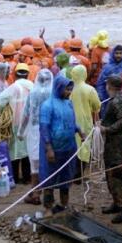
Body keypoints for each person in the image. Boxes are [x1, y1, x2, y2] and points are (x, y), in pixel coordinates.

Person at [39, 74, 82, 212]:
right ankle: (48, 208)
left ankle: (64, 206)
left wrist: (79, 130)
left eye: (70, 90)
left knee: (66, 179)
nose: (69, 92)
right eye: (66, 90)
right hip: (53, 149)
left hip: (68, 148)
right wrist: (48, 148)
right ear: (58, 88)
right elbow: (44, 127)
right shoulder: (47, 105)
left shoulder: (69, 103)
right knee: (49, 179)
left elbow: (71, 122)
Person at [100, 75, 122, 223]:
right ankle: (116, 202)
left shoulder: (118, 100)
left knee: (117, 174)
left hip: (116, 143)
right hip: (111, 142)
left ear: (110, 86)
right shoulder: (114, 99)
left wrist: (107, 129)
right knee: (110, 174)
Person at [0, 64, 34, 184]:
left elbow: (0, 101)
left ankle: (15, 178)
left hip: (14, 122)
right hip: (29, 123)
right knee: (27, 149)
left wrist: (2, 114)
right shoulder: (32, 86)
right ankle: (27, 178)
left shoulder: (13, 87)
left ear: (15, 75)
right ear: (28, 74)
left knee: (14, 150)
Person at [19, 68, 54, 199]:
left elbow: (26, 114)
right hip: (49, 132)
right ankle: (45, 193)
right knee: (48, 163)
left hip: (34, 131)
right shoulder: (53, 94)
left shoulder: (33, 93)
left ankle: (35, 193)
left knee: (35, 164)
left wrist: (20, 132)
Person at [68, 64, 101, 172]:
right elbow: (97, 105)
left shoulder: (68, 89)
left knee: (73, 146)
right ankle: (81, 173)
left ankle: (73, 171)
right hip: (85, 121)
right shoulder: (89, 89)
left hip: (71, 121)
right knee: (85, 145)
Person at [94, 44, 122, 112]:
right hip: (108, 96)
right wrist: (101, 96)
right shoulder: (107, 68)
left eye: (121, 53)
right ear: (112, 54)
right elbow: (100, 83)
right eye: (116, 53)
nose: (118, 55)